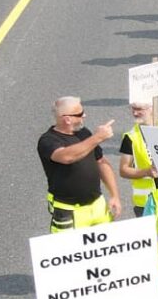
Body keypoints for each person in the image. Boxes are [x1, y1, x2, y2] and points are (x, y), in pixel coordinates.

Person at [40, 96, 119, 231]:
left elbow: (101, 162)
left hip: (97, 205)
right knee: (69, 251)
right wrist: (98, 137)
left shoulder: (84, 133)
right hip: (69, 211)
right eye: (80, 114)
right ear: (67, 119)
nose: (84, 115)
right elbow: (67, 157)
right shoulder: (48, 141)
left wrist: (114, 195)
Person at [116, 100, 158, 217]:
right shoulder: (130, 137)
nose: (135, 113)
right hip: (145, 203)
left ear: (152, 108)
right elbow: (123, 170)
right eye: (133, 109)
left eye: (139, 109)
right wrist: (146, 172)